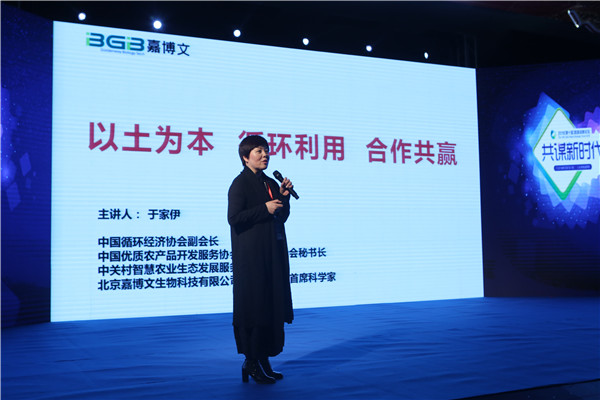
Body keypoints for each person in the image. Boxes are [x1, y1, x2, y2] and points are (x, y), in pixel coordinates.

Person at [227, 135, 295, 384]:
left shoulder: (269, 182)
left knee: (270, 305)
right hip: (252, 257)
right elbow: (234, 218)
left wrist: (284, 197)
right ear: (245, 157)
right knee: (255, 307)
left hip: (273, 253)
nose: (265, 155)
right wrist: (263, 209)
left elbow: (281, 217)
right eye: (258, 151)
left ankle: (264, 359)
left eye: (266, 150)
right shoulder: (239, 184)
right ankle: (251, 361)